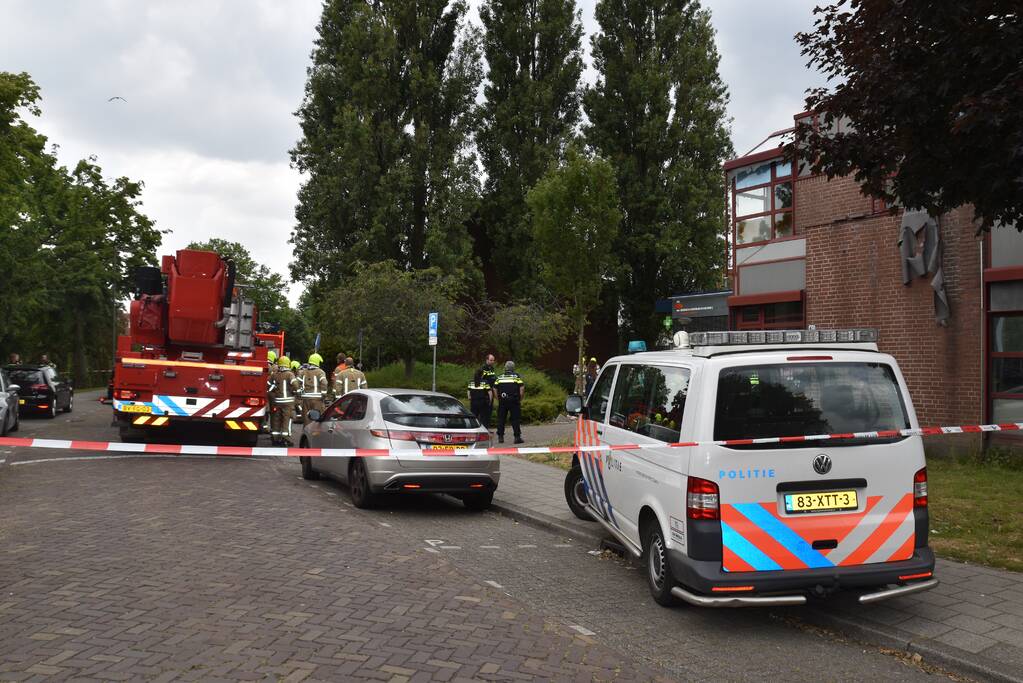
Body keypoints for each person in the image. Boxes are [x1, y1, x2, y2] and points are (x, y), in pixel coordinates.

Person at [267, 356, 299, 446]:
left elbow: (268, 384)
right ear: (288, 364)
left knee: (276, 419)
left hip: (277, 401)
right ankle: (286, 438)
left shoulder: (275, 374)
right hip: (288, 402)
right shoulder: (290, 374)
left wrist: (273, 390)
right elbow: (295, 384)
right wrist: (297, 391)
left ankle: (275, 439)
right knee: (287, 419)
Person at [493, 360, 525, 444]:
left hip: (502, 401)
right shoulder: (516, 377)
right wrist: (520, 398)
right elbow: (522, 388)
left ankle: (500, 437)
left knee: (501, 419)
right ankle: (517, 437)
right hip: (514, 401)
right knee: (515, 419)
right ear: (513, 368)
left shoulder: (499, 377)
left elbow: (494, 389)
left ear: (505, 368)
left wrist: (498, 398)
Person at [298, 353, 328, 424]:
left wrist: (299, 392)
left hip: (305, 399)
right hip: (317, 399)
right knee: (317, 419)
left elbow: (297, 382)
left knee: (306, 419)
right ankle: (315, 434)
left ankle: (306, 433)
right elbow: (324, 383)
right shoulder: (320, 372)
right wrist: (323, 394)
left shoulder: (303, 372)